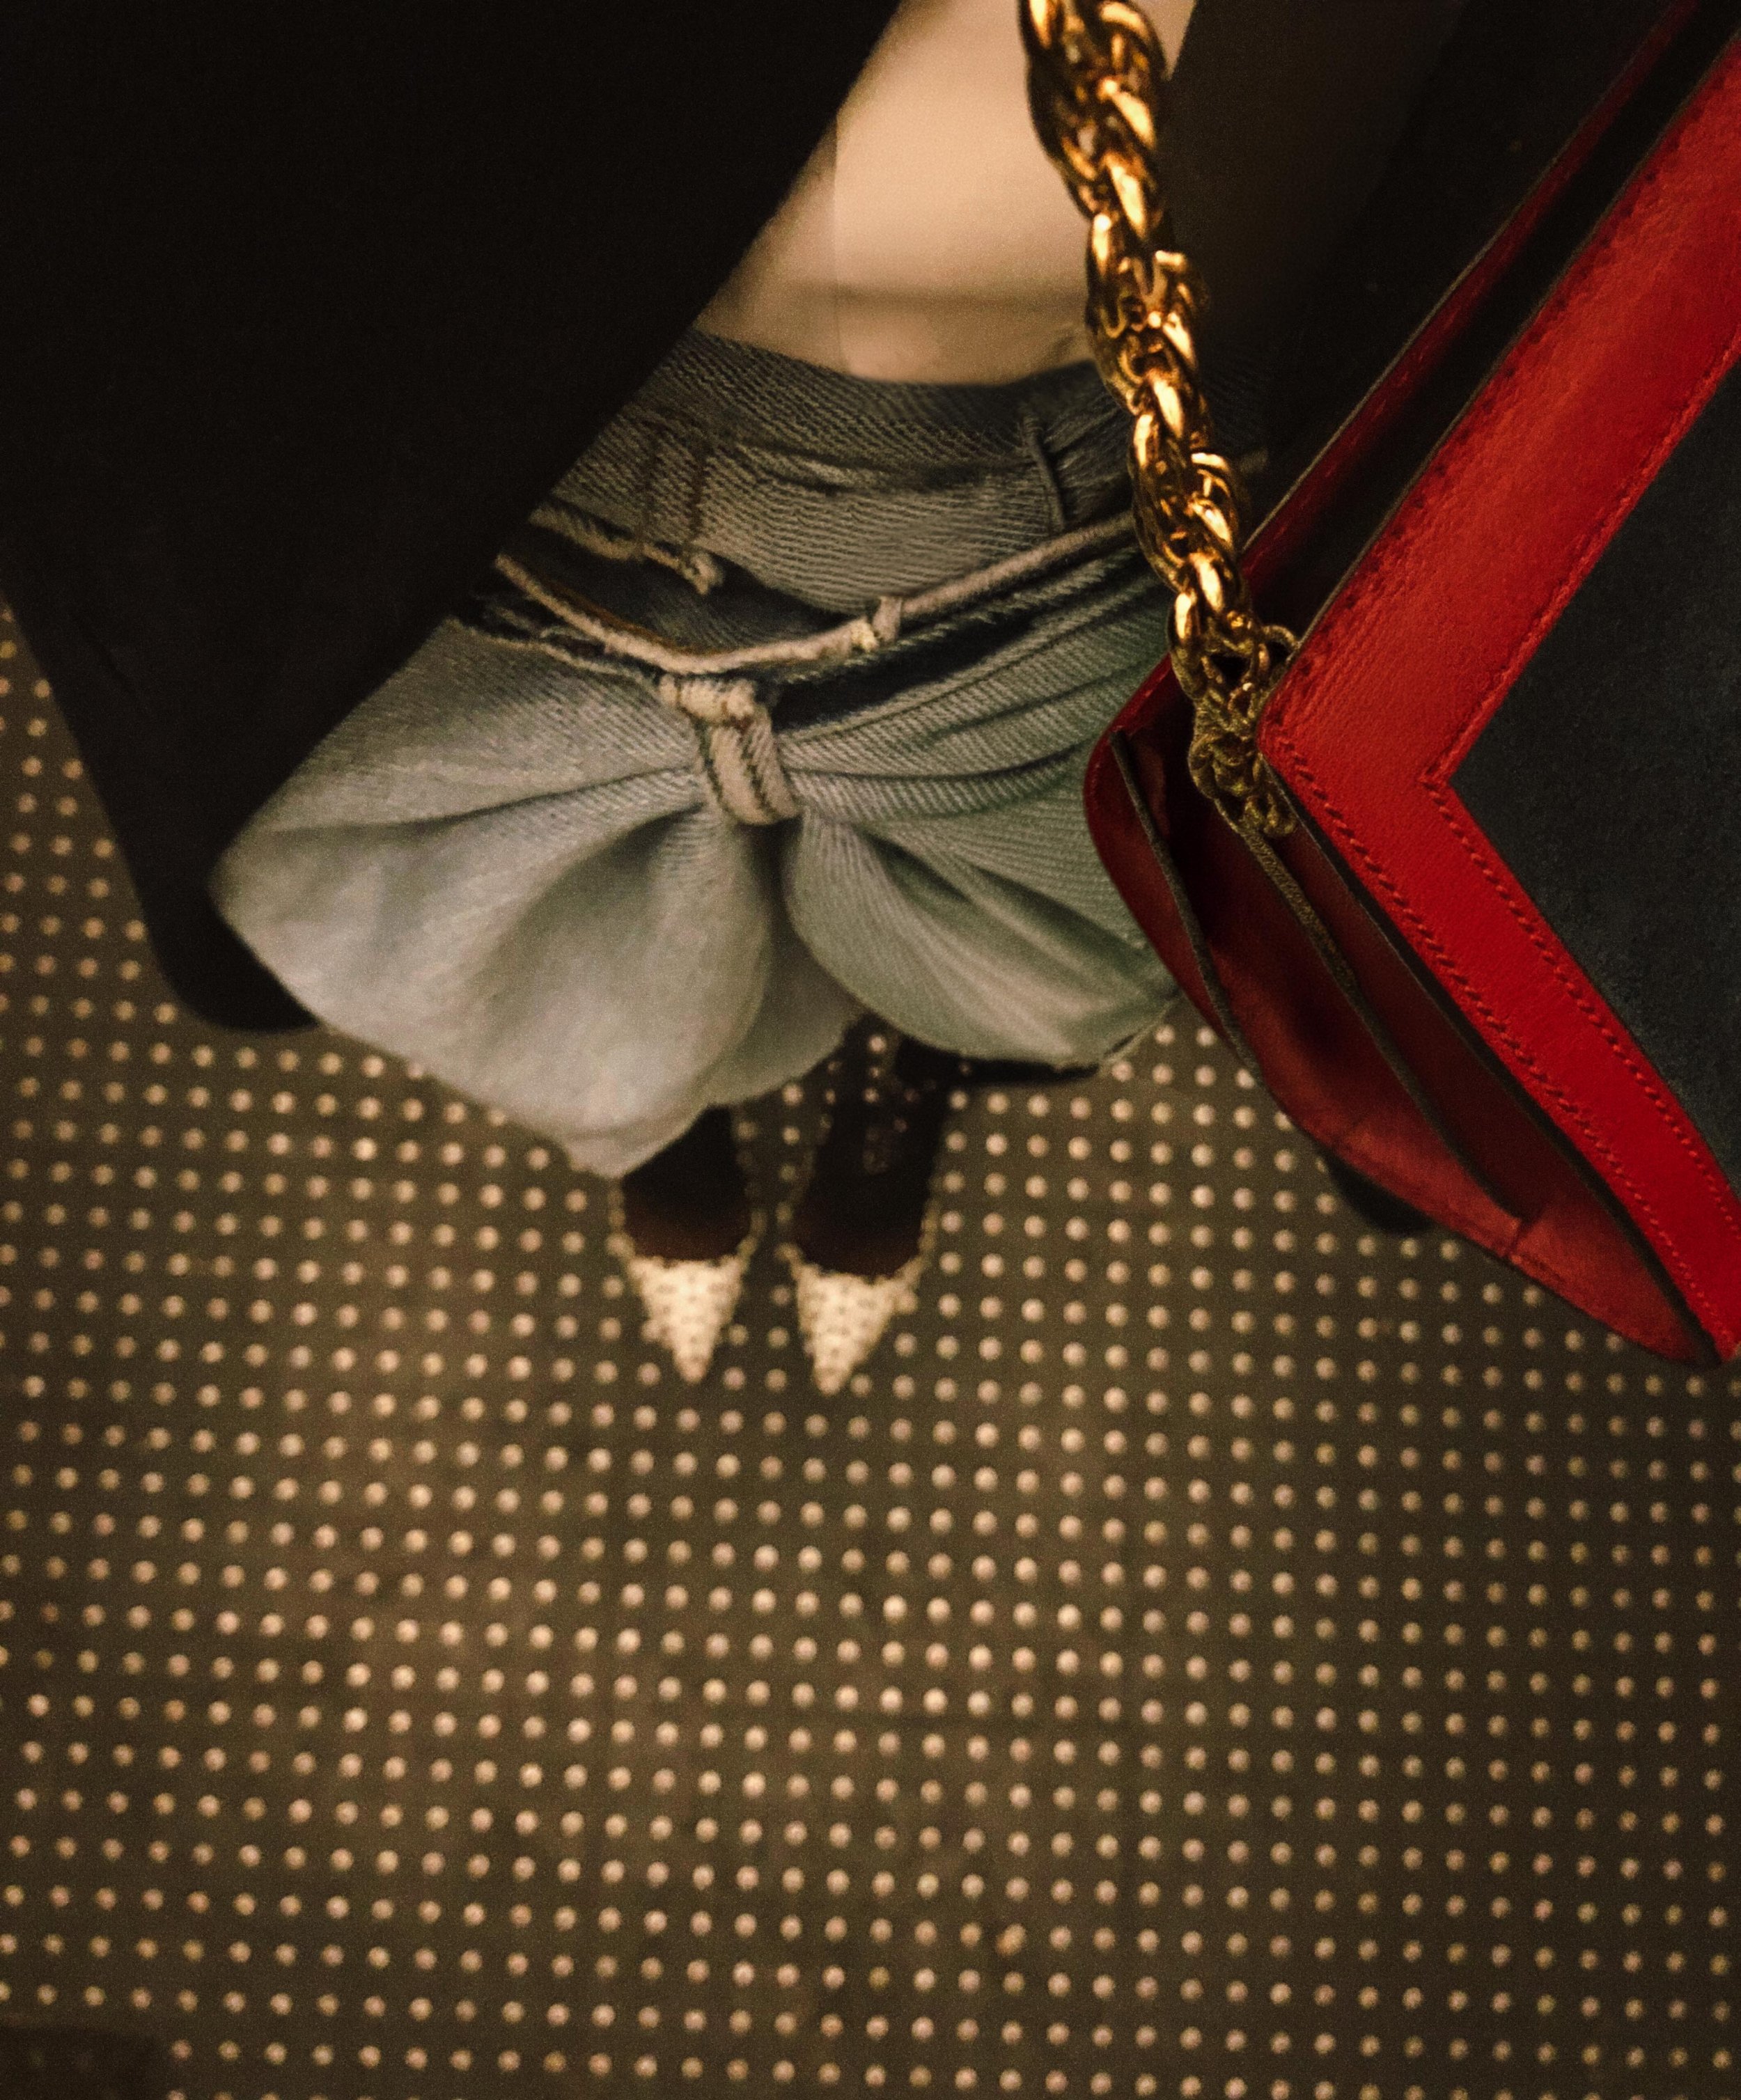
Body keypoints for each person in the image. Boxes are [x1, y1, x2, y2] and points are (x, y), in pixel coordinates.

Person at [0, 0, 1650, 1384]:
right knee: (541, 988)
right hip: (447, 469)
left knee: (1017, 965)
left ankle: (888, 1080)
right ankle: (665, 1129)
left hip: (1090, 459)